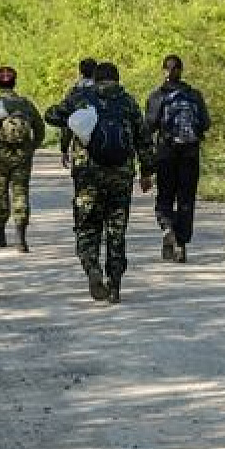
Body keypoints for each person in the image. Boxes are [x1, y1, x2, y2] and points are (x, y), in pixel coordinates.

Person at [44, 61, 155, 303]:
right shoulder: (129, 103)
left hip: (88, 176)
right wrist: (147, 173)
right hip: (121, 175)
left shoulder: (82, 98)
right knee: (116, 230)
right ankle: (115, 284)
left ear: (94, 79)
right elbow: (144, 140)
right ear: (117, 78)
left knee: (87, 226)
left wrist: (72, 116)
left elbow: (51, 116)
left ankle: (92, 270)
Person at [144, 54, 210, 263]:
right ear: (181, 70)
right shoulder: (194, 95)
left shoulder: (157, 96)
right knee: (186, 200)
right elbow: (205, 123)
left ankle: (167, 226)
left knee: (165, 197)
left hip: (166, 153)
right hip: (190, 154)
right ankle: (180, 244)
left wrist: (145, 165)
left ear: (164, 70)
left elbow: (149, 125)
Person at [0, 66, 45, 253]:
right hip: (23, 155)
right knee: (21, 193)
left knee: (1, 193)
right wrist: (34, 144)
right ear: (15, 82)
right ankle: (21, 239)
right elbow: (40, 126)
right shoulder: (25, 103)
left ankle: (0, 233)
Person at [60, 58, 97, 170]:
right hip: (104, 145)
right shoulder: (104, 92)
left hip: (81, 147)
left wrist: (64, 148)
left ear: (80, 72)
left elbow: (67, 123)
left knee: (82, 184)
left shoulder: (74, 93)